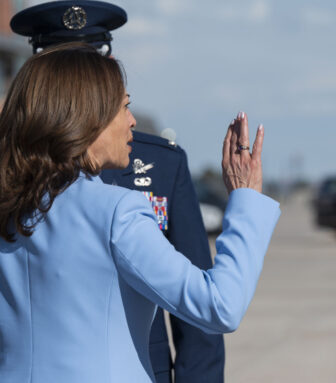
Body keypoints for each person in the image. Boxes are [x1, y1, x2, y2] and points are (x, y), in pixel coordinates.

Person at [0, 42, 280, 382]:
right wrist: (245, 199)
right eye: (123, 107)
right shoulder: (117, 210)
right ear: (87, 117)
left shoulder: (11, 205)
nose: (132, 121)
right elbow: (220, 306)